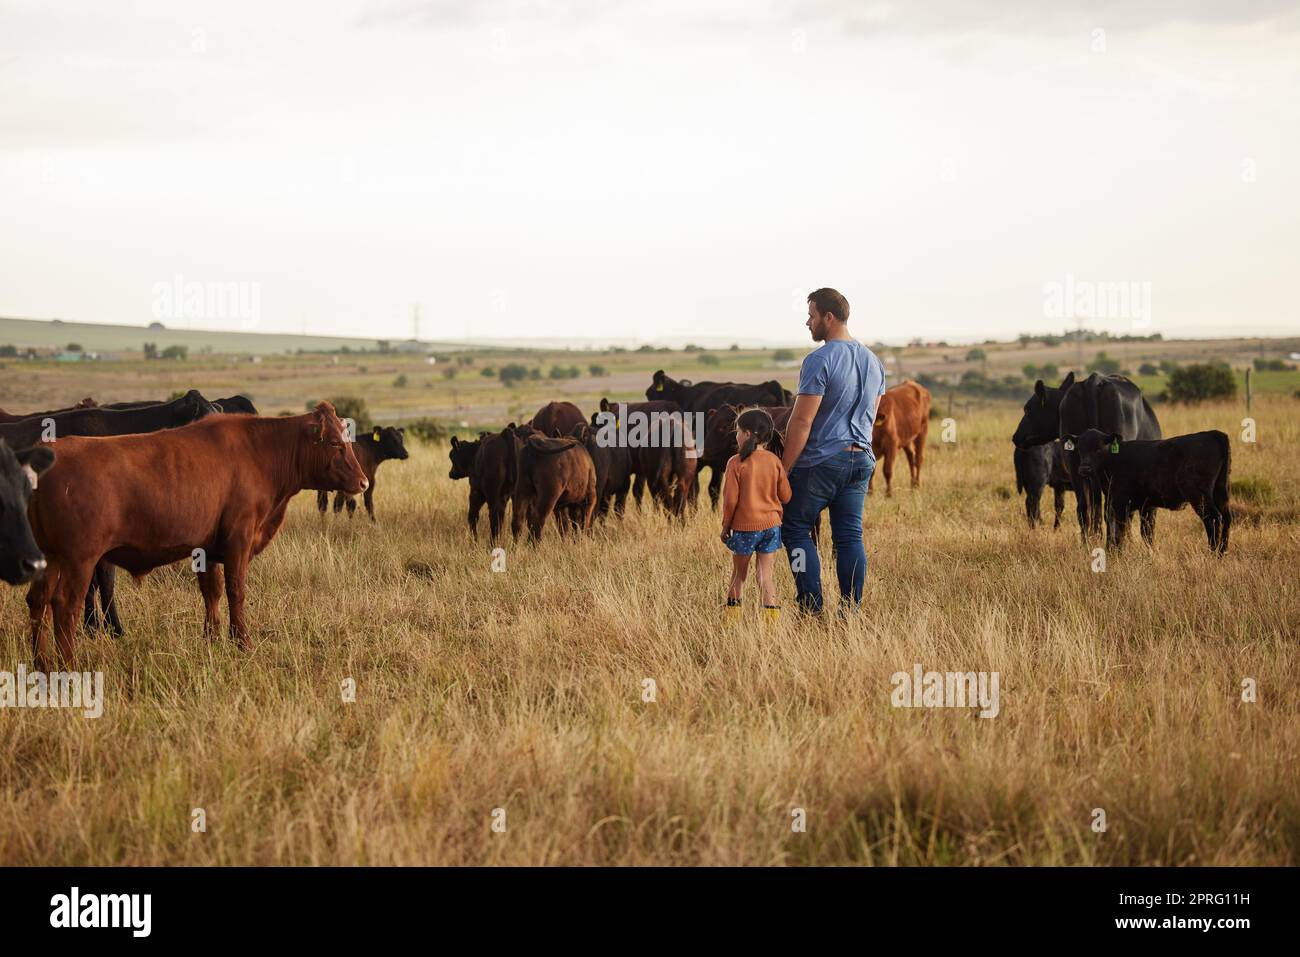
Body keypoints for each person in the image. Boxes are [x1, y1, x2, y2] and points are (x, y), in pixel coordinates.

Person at [779, 288, 886, 614]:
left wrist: (781, 471)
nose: (807, 322)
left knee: (794, 528)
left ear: (829, 317)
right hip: (861, 460)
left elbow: (801, 422)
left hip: (822, 461)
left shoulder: (819, 360)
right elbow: (870, 417)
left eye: (811, 315)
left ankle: (810, 607)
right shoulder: (874, 361)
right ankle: (850, 610)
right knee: (850, 536)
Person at [720, 408, 792, 623]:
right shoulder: (774, 461)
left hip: (745, 528)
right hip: (771, 527)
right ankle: (771, 625)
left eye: (738, 431)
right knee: (765, 577)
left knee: (738, 577)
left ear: (748, 434)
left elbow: (730, 501)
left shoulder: (735, 462)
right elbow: (786, 496)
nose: (736, 435)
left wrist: (725, 527)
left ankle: (731, 624)